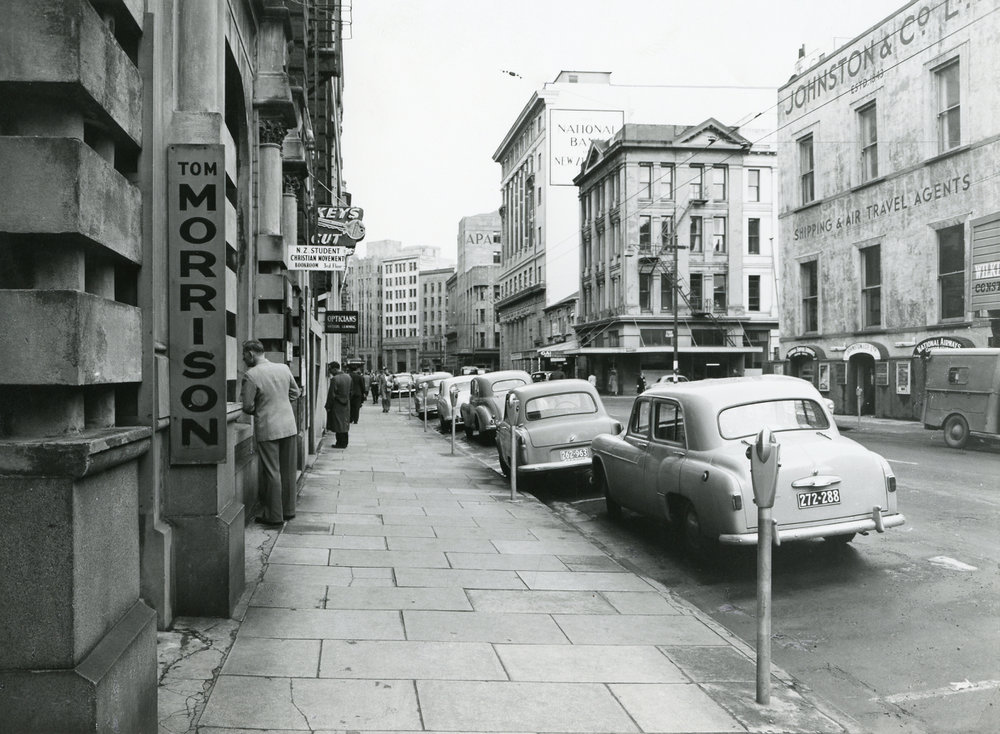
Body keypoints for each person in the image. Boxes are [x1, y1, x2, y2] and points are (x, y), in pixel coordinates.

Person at [241, 339, 301, 526]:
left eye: (244, 355)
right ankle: (288, 510)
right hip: (288, 426)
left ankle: (274, 516)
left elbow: (247, 406)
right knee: (288, 470)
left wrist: (262, 408)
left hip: (268, 427)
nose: (243, 359)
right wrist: (281, 404)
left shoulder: (251, 375)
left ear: (251, 354)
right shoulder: (283, 368)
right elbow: (296, 393)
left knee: (272, 472)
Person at [325, 361, 352, 448]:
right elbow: (351, 391)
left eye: (330, 369)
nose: (330, 372)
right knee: (344, 423)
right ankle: (345, 442)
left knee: (338, 424)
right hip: (346, 404)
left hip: (337, 405)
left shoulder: (335, 379)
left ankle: (340, 443)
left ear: (335, 369)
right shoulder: (348, 377)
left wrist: (328, 406)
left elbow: (331, 394)